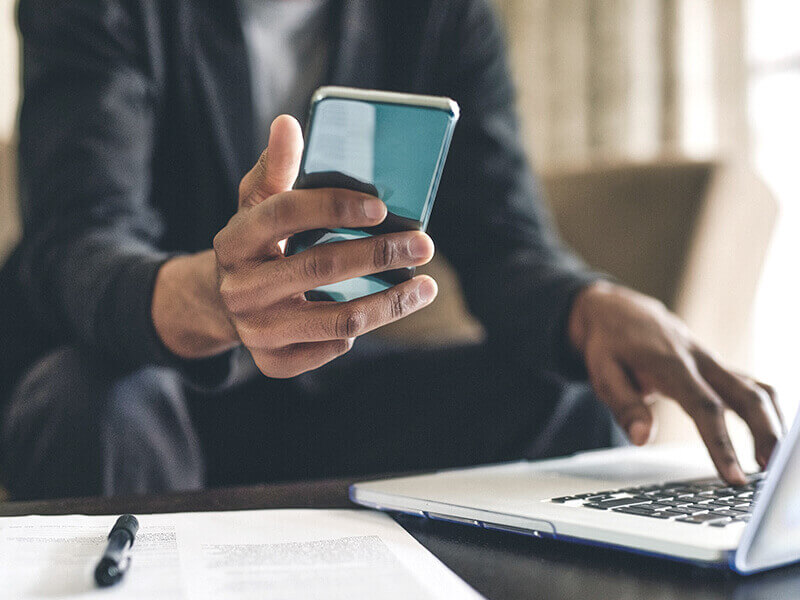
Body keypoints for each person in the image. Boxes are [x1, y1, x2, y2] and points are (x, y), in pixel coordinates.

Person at [0, 0, 783, 500]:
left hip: (331, 397)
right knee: (93, 402)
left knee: (564, 396)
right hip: (158, 382)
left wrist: (594, 305)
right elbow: (75, 239)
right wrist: (220, 298)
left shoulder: (445, 16)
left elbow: (505, 242)